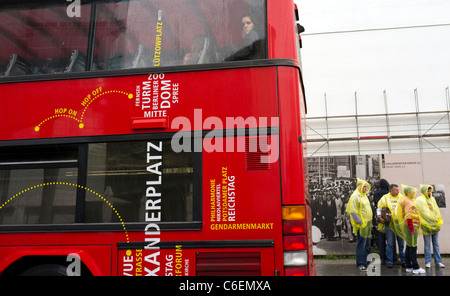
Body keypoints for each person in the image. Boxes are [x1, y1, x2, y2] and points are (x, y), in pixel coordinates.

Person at [396, 185, 425, 274]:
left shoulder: (404, 200)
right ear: (408, 193)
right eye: (412, 192)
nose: (414, 194)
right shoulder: (409, 203)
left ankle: (409, 266)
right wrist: (412, 228)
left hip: (407, 225)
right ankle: (416, 267)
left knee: (409, 246)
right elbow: (409, 216)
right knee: (413, 246)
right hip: (411, 225)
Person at [346, 178, 373, 271]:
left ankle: (366, 262)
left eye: (366, 186)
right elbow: (353, 212)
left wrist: (371, 222)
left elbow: (368, 210)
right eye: (364, 186)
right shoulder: (355, 196)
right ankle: (360, 263)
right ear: (359, 186)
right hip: (362, 225)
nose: (365, 188)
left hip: (368, 224)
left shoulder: (364, 196)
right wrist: (361, 222)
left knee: (367, 244)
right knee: (362, 244)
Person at [415, 184, 444, 268]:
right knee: (427, 244)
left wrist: (436, 218)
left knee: (436, 243)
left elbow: (436, 210)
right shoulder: (420, 200)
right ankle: (428, 261)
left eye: (430, 190)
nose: (429, 192)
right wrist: (430, 219)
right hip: (426, 225)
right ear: (423, 190)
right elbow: (422, 212)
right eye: (427, 190)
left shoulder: (432, 199)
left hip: (434, 225)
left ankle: (438, 261)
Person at [377, 184, 406, 268]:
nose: (398, 191)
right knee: (390, 243)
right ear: (391, 190)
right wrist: (379, 217)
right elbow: (379, 208)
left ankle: (403, 260)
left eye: (398, 190)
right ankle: (389, 261)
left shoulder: (401, 197)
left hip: (399, 224)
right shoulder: (385, 198)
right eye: (396, 190)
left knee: (401, 243)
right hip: (389, 224)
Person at [373, 179, 390, 264]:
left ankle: (382, 257)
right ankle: (390, 257)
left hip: (379, 217)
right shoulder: (388, 193)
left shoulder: (376, 194)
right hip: (389, 217)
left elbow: (375, 204)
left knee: (381, 239)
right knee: (390, 240)